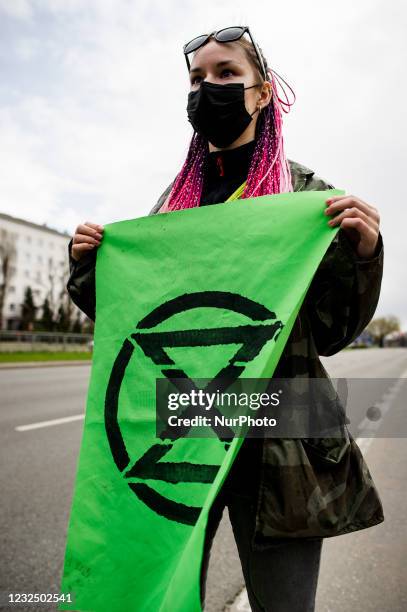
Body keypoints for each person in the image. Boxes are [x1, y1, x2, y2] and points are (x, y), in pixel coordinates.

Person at [67, 26, 384, 612]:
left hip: (284, 431)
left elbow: (334, 330)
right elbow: (142, 326)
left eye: (225, 74)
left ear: (262, 93)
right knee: (153, 591)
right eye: (196, 78)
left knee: (284, 604)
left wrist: (363, 256)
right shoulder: (173, 206)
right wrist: (91, 267)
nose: (207, 88)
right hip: (185, 428)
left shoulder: (305, 197)